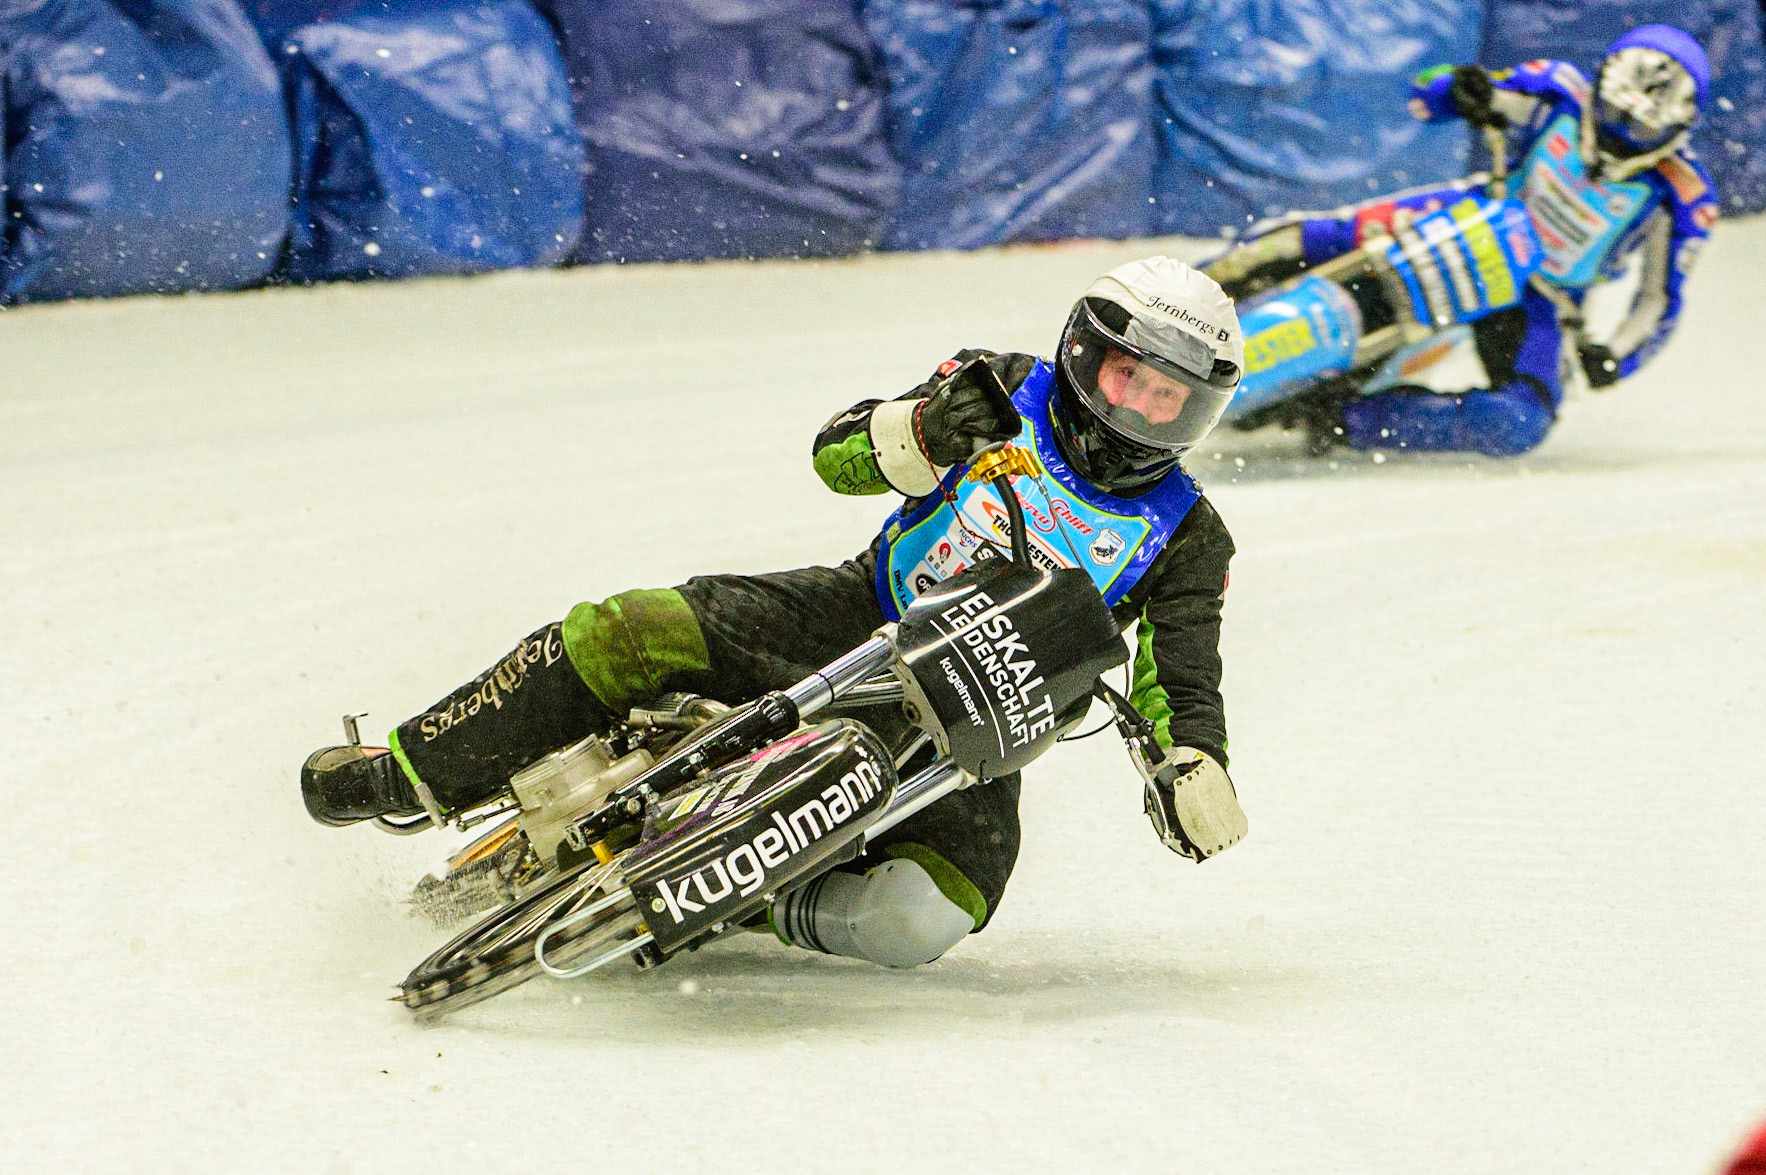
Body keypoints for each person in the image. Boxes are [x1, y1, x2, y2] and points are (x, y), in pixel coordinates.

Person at [301, 256, 1248, 970]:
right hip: (854, 616)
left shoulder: (1189, 537)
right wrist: (918, 431)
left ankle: (731, 902)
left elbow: (1182, 677)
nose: (1139, 416)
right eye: (1129, 381)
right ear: (1085, 356)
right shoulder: (999, 386)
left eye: (1171, 402)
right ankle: (409, 768)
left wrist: (1194, 763)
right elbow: (835, 456)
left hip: (976, 728)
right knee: (634, 629)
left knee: (926, 914)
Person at [1204, 24, 1719, 457]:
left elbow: (1659, 297)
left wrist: (1615, 355)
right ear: (1602, 82)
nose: (1620, 134)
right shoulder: (1558, 91)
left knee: (1518, 422)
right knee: (1304, 238)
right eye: (1615, 114)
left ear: (1678, 126)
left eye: (1641, 126)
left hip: (1540, 295)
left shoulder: (1684, 195)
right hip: (1474, 217)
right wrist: (1458, 89)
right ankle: (1191, 291)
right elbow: (1426, 96)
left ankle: (1341, 419)